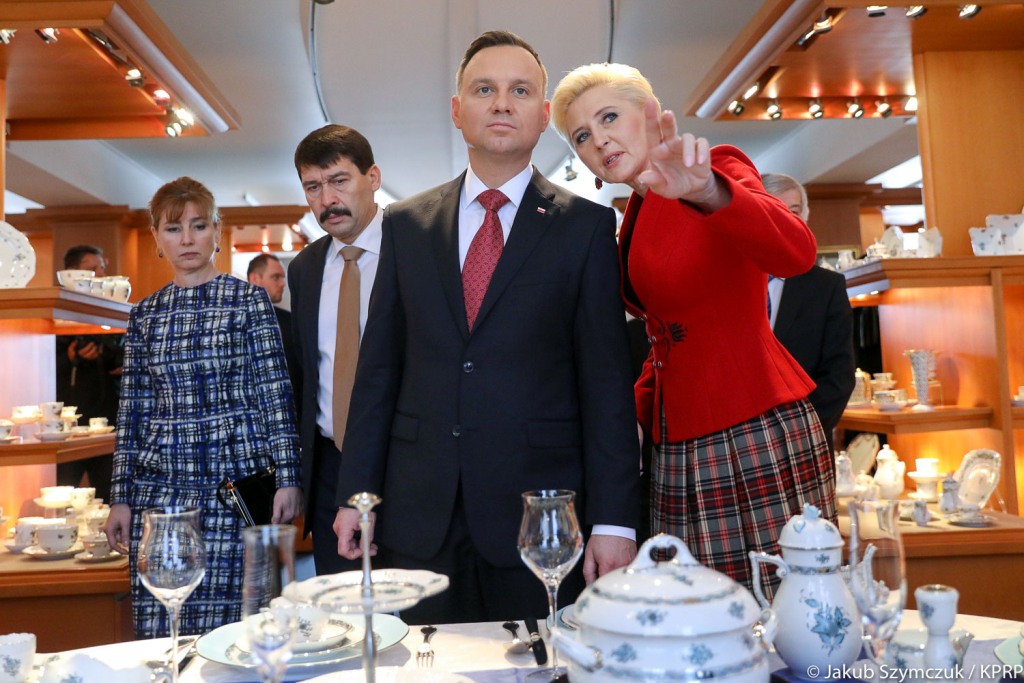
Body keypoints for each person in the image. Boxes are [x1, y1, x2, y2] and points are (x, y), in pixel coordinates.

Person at [333, 31, 642, 624]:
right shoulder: (405, 225)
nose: (502, 103)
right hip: (419, 512)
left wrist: (614, 521)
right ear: (457, 111)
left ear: (544, 115)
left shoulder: (584, 229)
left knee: (539, 661)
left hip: (542, 518)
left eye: (520, 91)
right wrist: (356, 495)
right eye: (484, 89)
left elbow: (606, 385)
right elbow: (378, 371)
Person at [551, 63, 836, 597]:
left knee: (786, 609)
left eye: (609, 117)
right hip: (676, 445)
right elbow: (665, 339)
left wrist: (708, 190)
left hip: (751, 428)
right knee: (697, 615)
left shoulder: (714, 169)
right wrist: (631, 419)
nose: (599, 139)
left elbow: (796, 253)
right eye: (582, 136)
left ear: (651, 114)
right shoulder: (631, 215)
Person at [103, 177, 302, 638]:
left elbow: (275, 394)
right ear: (156, 238)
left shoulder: (248, 301)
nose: (187, 239)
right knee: (164, 628)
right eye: (173, 229)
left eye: (198, 226)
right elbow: (132, 412)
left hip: (237, 487)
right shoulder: (146, 314)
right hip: (161, 491)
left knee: (241, 631)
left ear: (216, 230)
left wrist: (288, 476)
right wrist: (120, 496)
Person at [287, 124, 383, 574]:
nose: (327, 199)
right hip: (327, 466)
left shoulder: (416, 249)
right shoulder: (305, 268)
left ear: (373, 178)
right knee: (339, 604)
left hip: (403, 463)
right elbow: (305, 373)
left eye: (339, 180)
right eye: (313, 187)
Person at [761, 173, 856, 454]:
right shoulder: (726, 284)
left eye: (794, 212)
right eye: (774, 210)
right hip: (736, 443)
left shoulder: (826, 287)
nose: (787, 220)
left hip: (805, 442)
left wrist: (793, 430)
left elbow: (839, 377)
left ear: (805, 219)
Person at [56, 245, 123, 501]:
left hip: (107, 422)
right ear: (71, 273)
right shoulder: (56, 313)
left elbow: (122, 354)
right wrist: (70, 356)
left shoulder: (111, 309)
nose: (101, 275)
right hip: (67, 426)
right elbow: (40, 367)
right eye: (92, 269)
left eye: (102, 268)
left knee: (108, 498)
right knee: (62, 494)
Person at [247, 253, 299, 391]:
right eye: (276, 277)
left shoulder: (290, 321)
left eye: (282, 278)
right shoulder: (232, 322)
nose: (283, 284)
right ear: (255, 279)